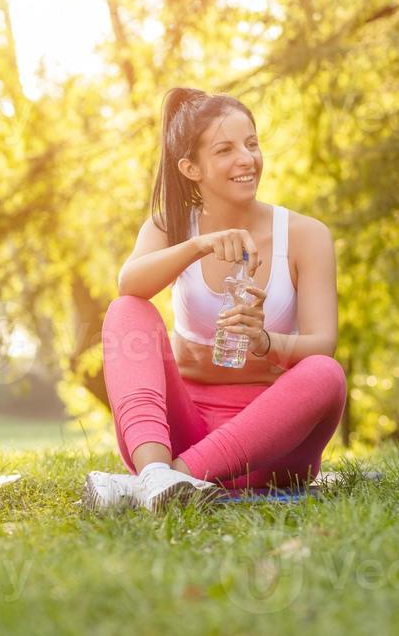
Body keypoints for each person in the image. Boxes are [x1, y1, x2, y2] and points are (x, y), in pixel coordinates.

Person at [84, 88, 346, 512]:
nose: (247, 158)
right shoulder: (171, 225)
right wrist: (199, 244)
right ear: (191, 167)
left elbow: (322, 342)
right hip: (180, 433)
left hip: (270, 450)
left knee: (325, 372)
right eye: (225, 149)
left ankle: (176, 480)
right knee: (126, 309)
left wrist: (265, 342)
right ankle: (154, 476)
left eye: (252, 144)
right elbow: (129, 283)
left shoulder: (305, 235)